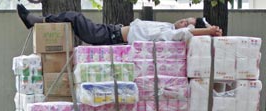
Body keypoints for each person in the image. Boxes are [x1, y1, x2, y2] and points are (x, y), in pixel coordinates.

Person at [16, 4, 222, 45]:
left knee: (75, 17)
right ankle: (38, 22)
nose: (183, 22)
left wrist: (208, 31)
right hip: (111, 31)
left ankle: (36, 22)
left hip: (110, 37)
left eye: (188, 24)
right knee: (73, 19)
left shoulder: (169, 36)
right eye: (186, 19)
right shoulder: (167, 27)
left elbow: (183, 35)